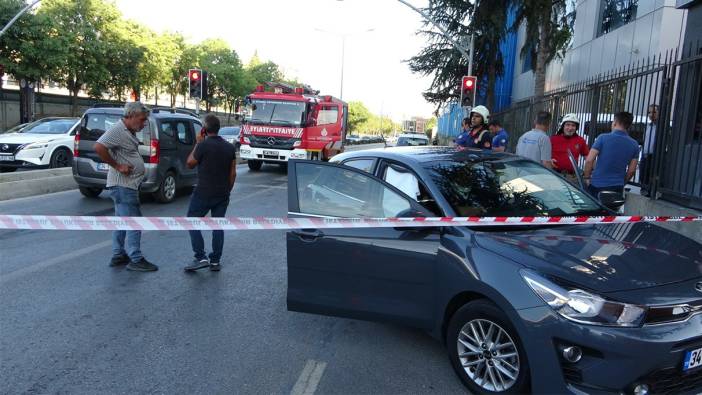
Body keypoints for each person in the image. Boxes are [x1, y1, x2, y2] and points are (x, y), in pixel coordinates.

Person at [95, 102, 158, 272]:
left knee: (123, 222)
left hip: (126, 186)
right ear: (131, 115)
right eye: (142, 119)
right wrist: (118, 166)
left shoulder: (127, 131)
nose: (144, 123)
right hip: (123, 186)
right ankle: (135, 258)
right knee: (134, 222)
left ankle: (118, 254)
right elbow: (99, 146)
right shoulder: (118, 130)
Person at [184, 114, 237, 272]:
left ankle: (200, 257)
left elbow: (189, 164)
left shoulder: (203, 145)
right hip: (222, 194)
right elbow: (233, 174)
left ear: (204, 130)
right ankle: (215, 261)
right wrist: (227, 191)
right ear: (218, 128)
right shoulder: (229, 147)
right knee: (218, 225)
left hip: (203, 192)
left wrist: (197, 143)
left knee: (192, 221)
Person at [583, 111, 640, 199]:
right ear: (629, 126)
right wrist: (622, 182)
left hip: (597, 185)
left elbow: (589, 160)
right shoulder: (635, 144)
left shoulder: (602, 138)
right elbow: (631, 171)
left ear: (615, 122)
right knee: (611, 212)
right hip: (617, 187)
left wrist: (587, 178)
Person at [550, 113, 589, 184]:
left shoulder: (580, 140)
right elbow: (543, 155)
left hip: (572, 179)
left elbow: (588, 158)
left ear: (576, 128)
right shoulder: (553, 139)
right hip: (554, 176)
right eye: (567, 125)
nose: (570, 128)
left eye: (573, 125)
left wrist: (588, 175)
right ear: (563, 126)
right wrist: (549, 159)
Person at [640, 104, 658, 196]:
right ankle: (644, 189)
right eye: (649, 112)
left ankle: (650, 192)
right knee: (643, 176)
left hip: (654, 156)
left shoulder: (661, 127)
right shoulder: (647, 126)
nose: (651, 114)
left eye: (654, 112)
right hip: (645, 154)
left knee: (651, 177)